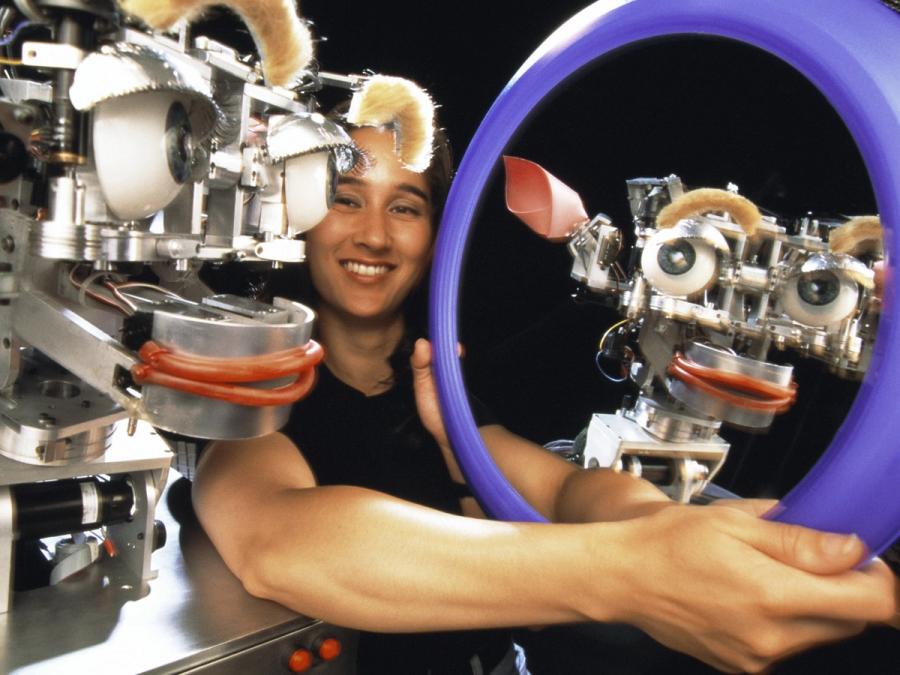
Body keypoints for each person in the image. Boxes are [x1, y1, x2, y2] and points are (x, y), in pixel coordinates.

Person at [192, 116, 898, 675]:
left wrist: (671, 530)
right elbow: (277, 541)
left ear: (436, 234)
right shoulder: (254, 386)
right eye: (347, 199)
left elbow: (564, 491)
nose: (374, 235)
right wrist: (638, 572)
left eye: (405, 206)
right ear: (298, 213)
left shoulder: (441, 387)